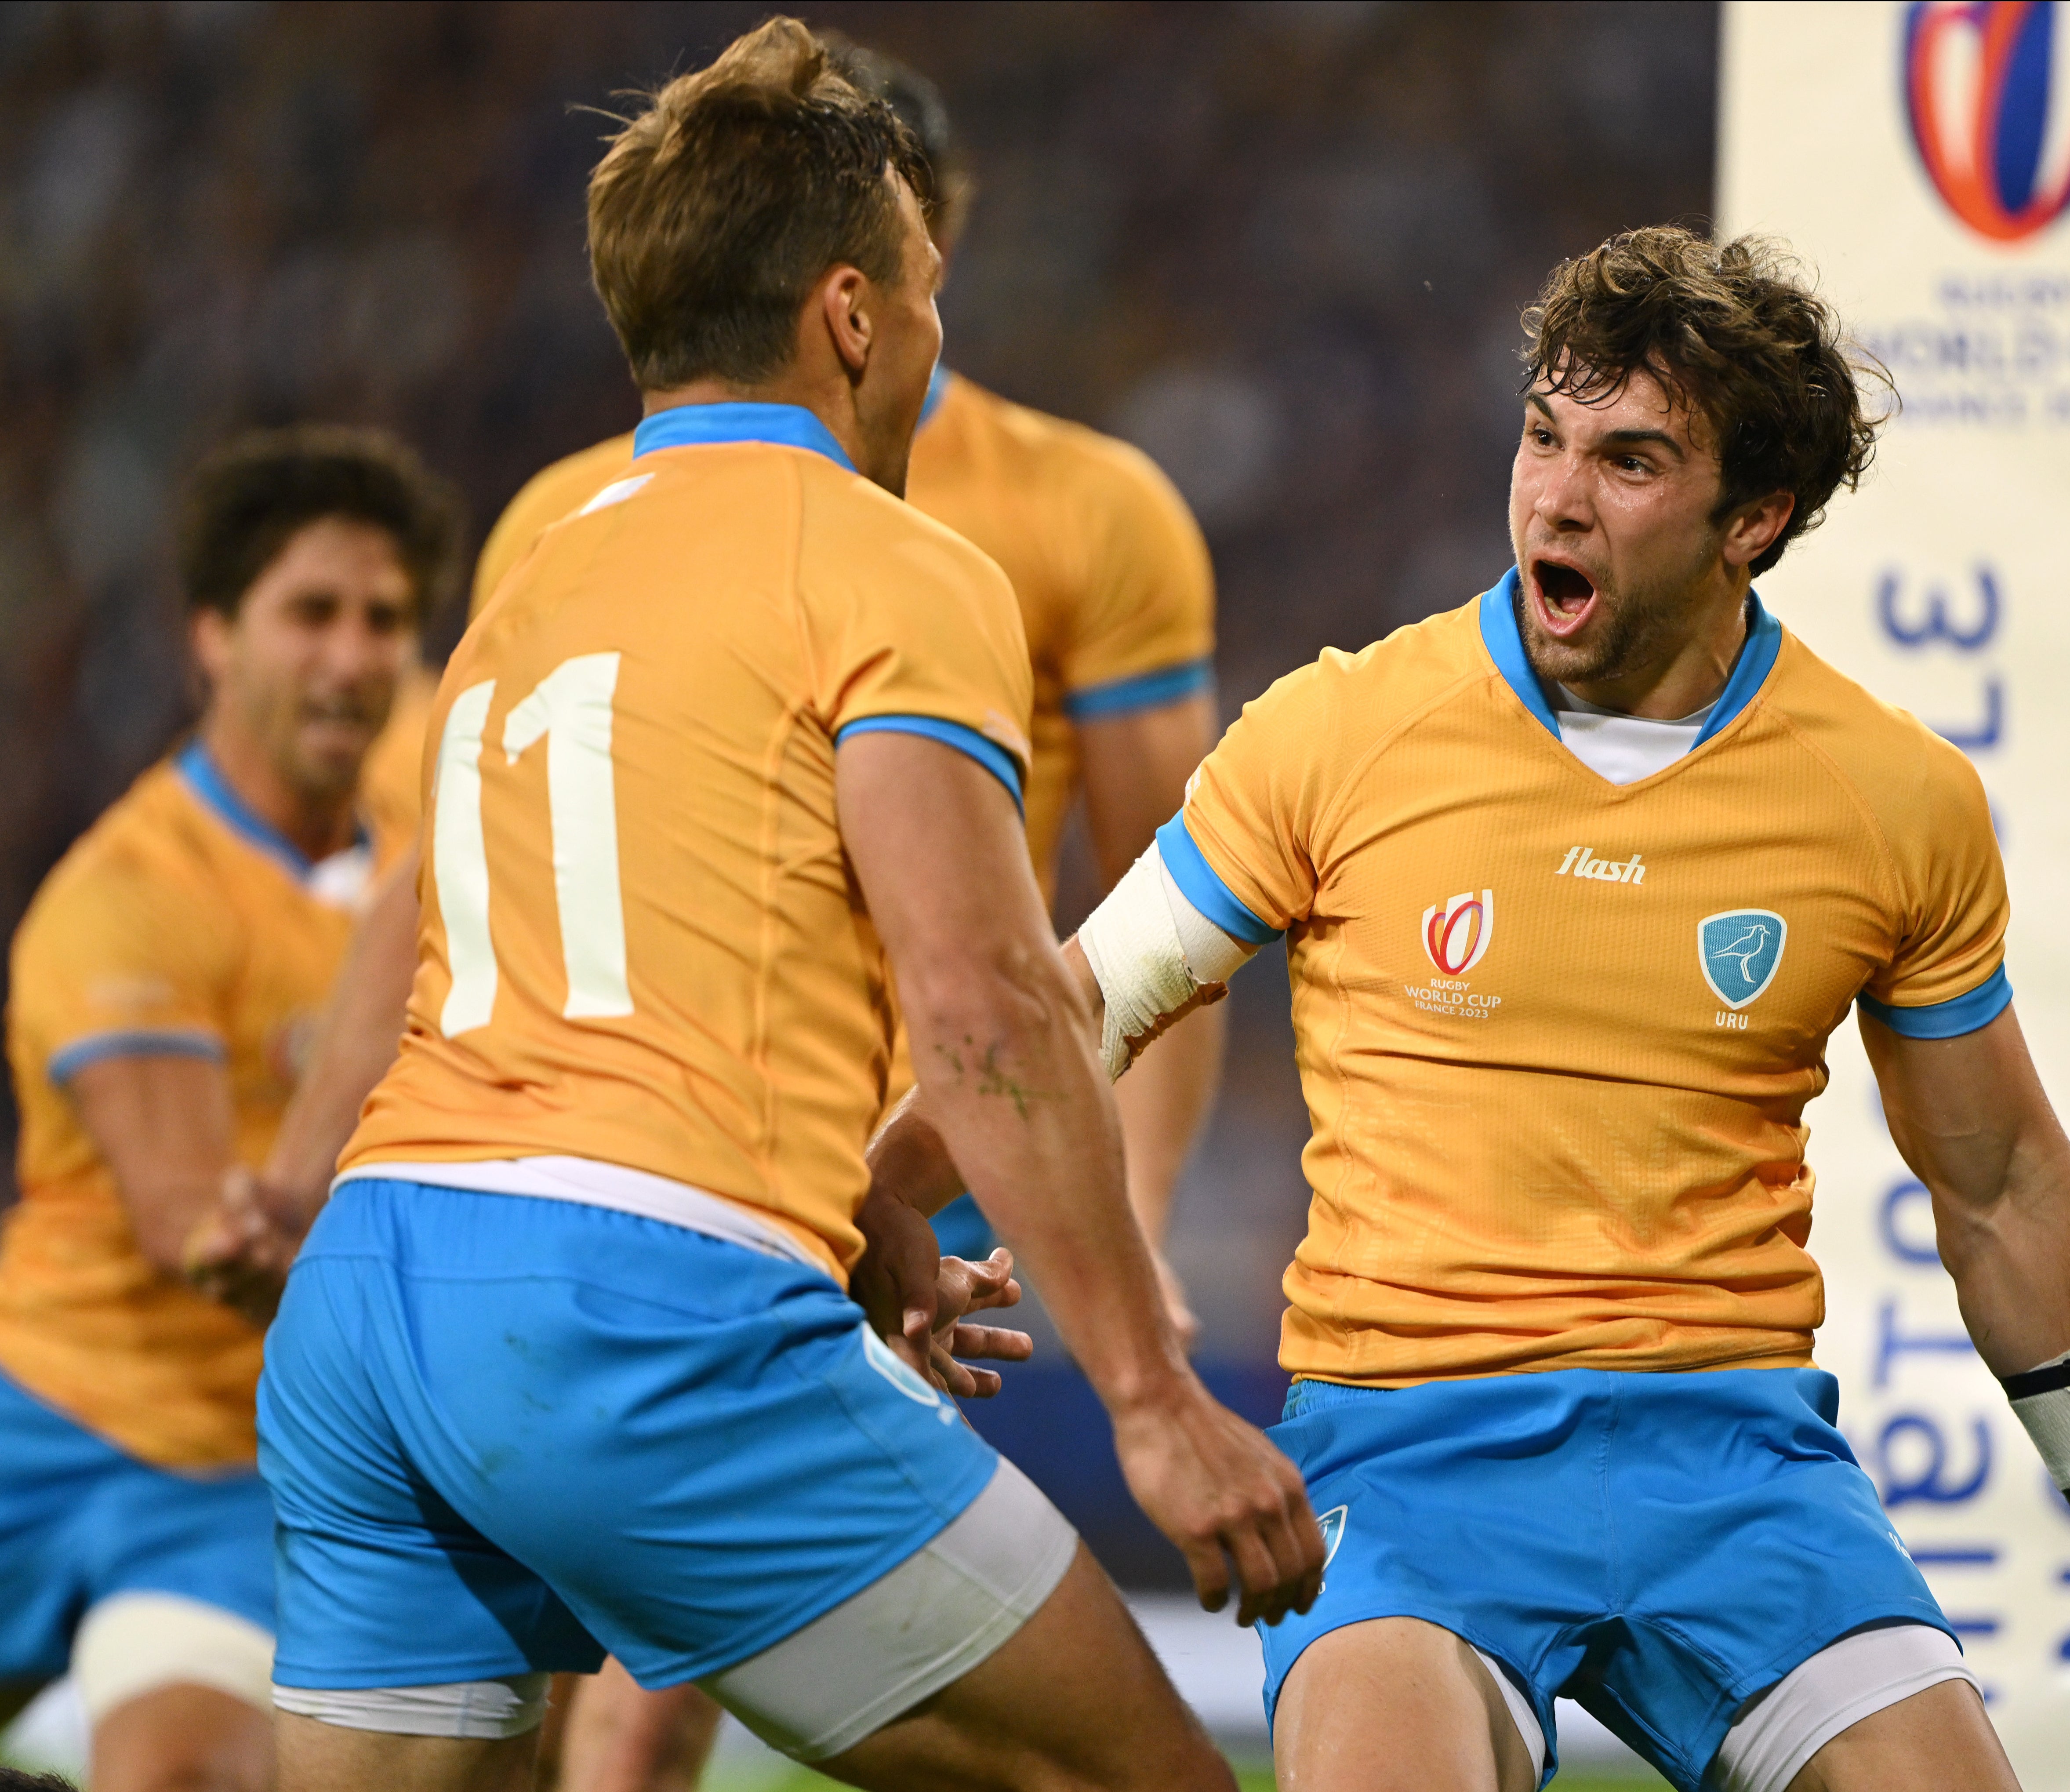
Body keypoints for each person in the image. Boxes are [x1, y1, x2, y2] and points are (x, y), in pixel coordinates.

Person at [878, 226, 2070, 1789]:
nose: (1558, 494)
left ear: (1756, 519)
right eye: (1546, 434)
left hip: (1741, 1466)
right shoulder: (1340, 732)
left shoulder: (1891, 799)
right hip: (1409, 1460)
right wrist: (882, 1209)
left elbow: (2000, 1184)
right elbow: (1070, 1010)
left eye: (1632, 459)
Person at [251, 21, 1318, 1792]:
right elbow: (985, 1008)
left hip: (373, 1303)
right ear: (848, 314)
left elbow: (544, 946)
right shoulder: (897, 564)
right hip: (637, 1316)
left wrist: (856, 1219)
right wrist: (1149, 1397)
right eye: (924, 293)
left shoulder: (540, 561)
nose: (932, 333)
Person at [0, 426, 455, 1792]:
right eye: (310, 613)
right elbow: (195, 1235)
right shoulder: (130, 898)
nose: (353, 655)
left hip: (226, 1482)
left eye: (384, 620)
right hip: (43, 1411)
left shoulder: (415, 840)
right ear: (214, 639)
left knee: (187, 1779)